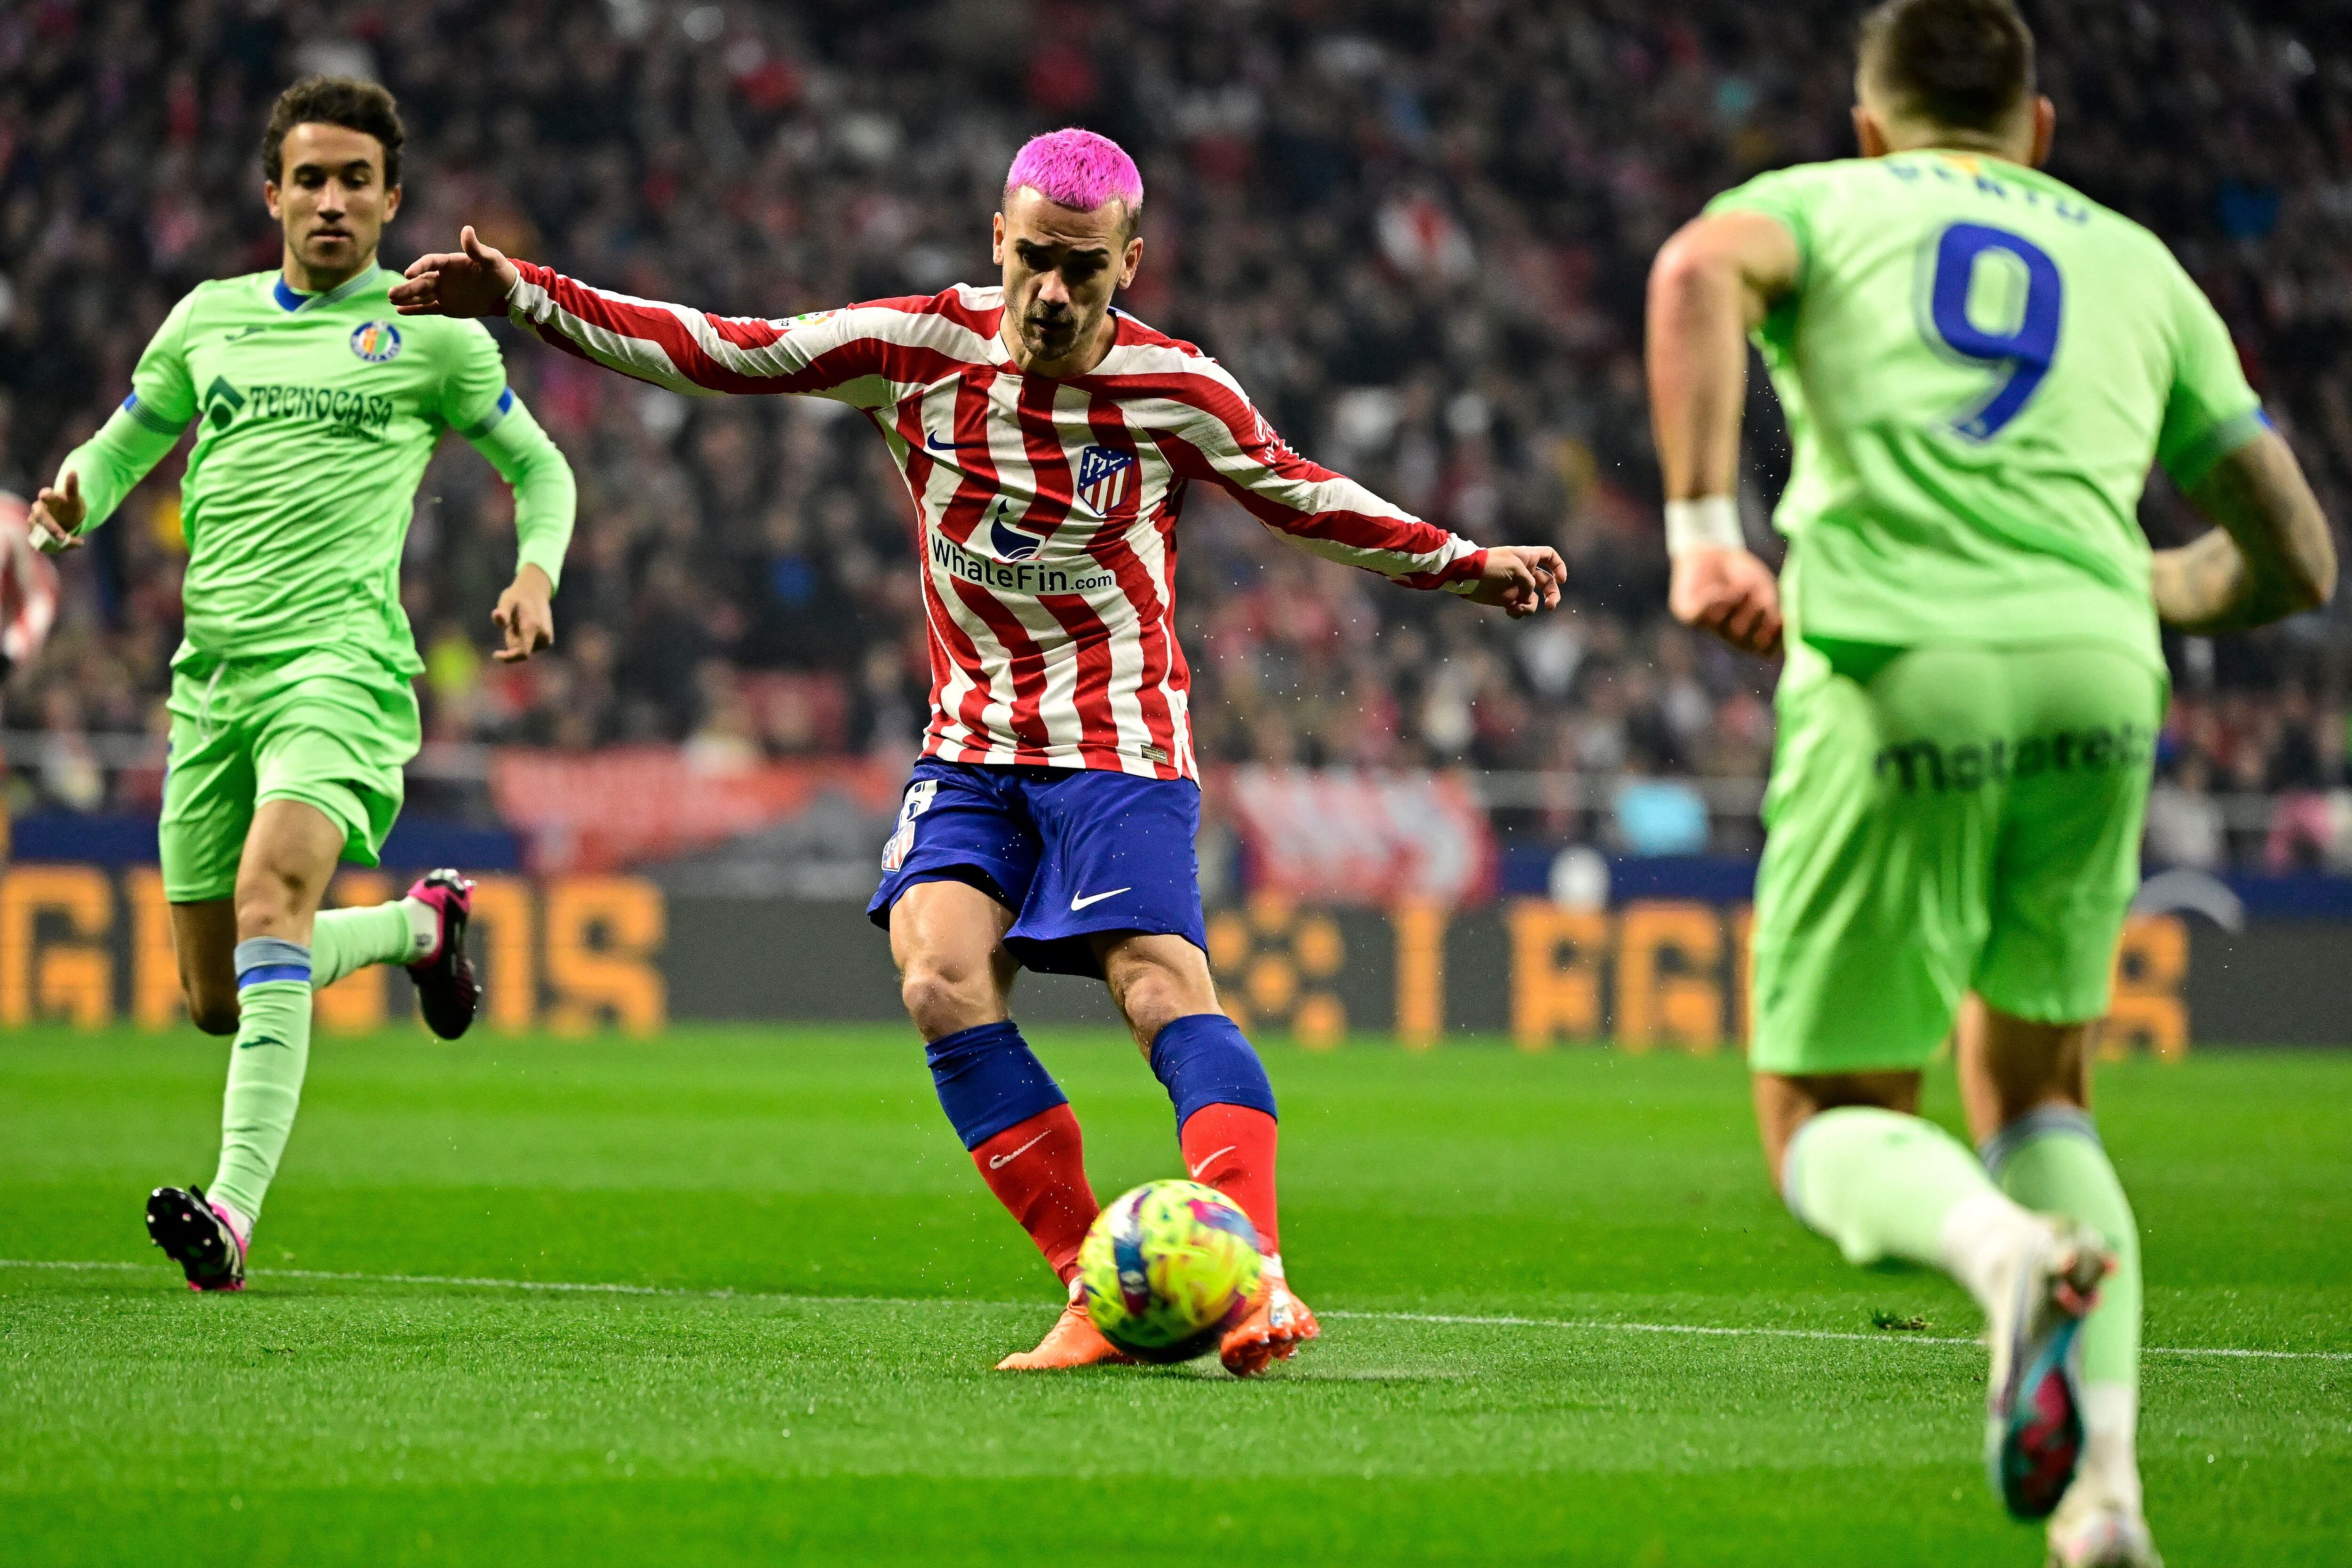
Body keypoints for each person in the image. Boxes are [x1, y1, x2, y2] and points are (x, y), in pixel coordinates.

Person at [391, 127, 1565, 1376]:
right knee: (938, 976)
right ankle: (1093, 1290)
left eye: (1087, 271)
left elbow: (1304, 495)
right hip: (971, 742)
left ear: (1132, 264)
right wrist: (526, 294)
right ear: (997, 242)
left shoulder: (1179, 391)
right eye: (1037, 262)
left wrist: (1465, 563)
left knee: (1158, 986)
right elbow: (727, 351)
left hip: (1119, 739)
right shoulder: (915, 348)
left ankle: (1262, 1277)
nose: (1055, 294)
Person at [1644, 0, 2334, 1561]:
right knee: (2037, 1088)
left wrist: (1700, 533)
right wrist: (2137, 586)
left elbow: (1693, 271)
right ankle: (2105, 1505)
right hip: (2102, 682)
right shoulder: (2136, 261)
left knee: (1826, 1116)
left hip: (1902, 666)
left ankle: (2001, 1256)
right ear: (2039, 129)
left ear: (1872, 127)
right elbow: (2296, 554)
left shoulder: (1826, 202)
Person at [26, 77, 578, 1293]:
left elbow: (541, 470)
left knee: (276, 888)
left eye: (357, 180)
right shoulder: (210, 318)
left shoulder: (434, 332)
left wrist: (536, 574)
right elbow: (127, 437)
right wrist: (72, 502)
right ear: (271, 192)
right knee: (214, 996)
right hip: (210, 682)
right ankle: (417, 930)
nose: (333, 200)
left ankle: (229, 1214)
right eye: (311, 178)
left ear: (393, 199)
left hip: (341, 668)